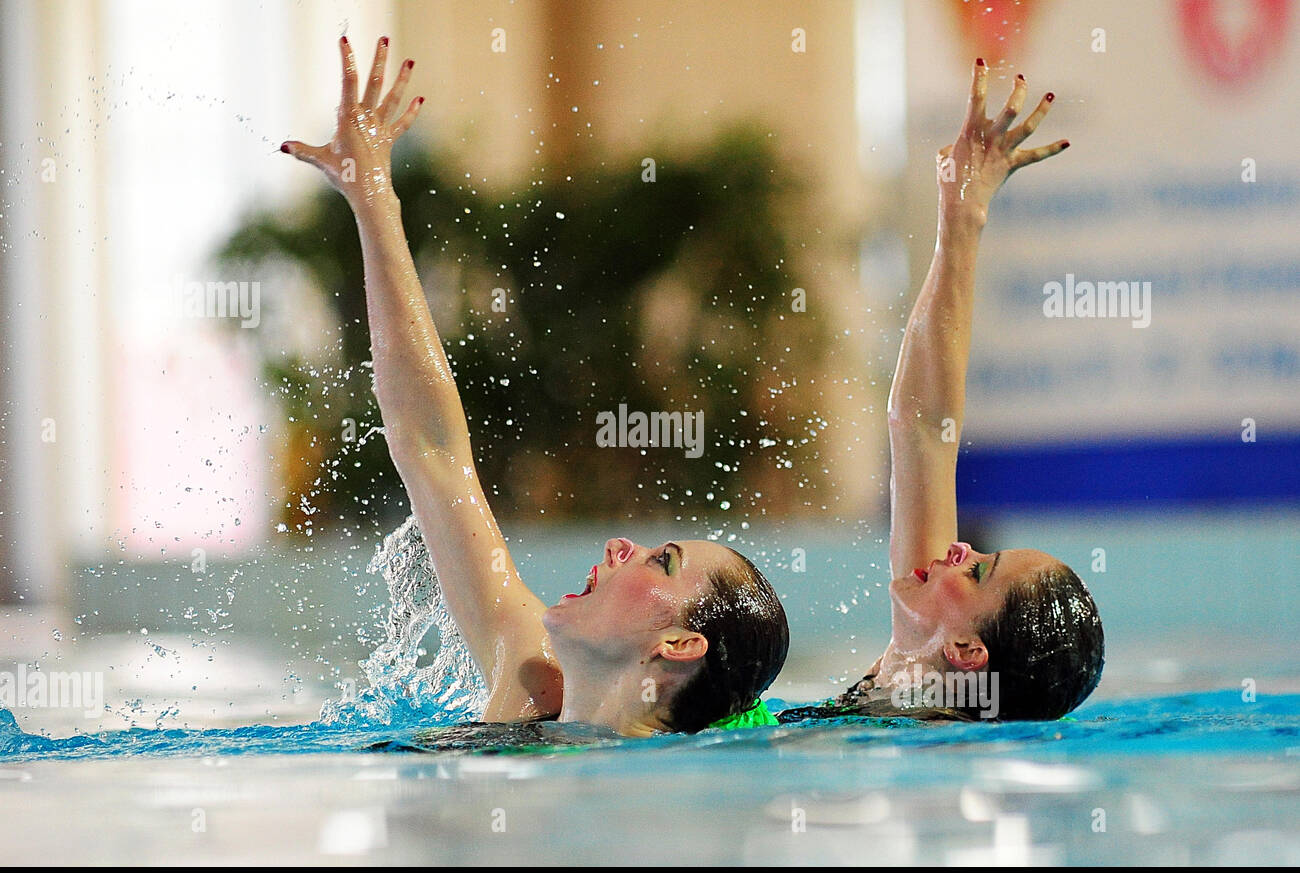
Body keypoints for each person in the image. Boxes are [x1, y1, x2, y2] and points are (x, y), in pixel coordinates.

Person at [282, 36, 788, 737]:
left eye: (659, 562)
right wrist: (373, 199)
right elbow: (430, 446)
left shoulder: (663, 803)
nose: (621, 544)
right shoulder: (527, 674)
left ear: (676, 648)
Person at [781, 59, 1103, 723]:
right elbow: (923, 428)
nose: (959, 547)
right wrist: (962, 216)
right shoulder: (911, 661)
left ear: (965, 652)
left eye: (978, 570)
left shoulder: (916, 726)